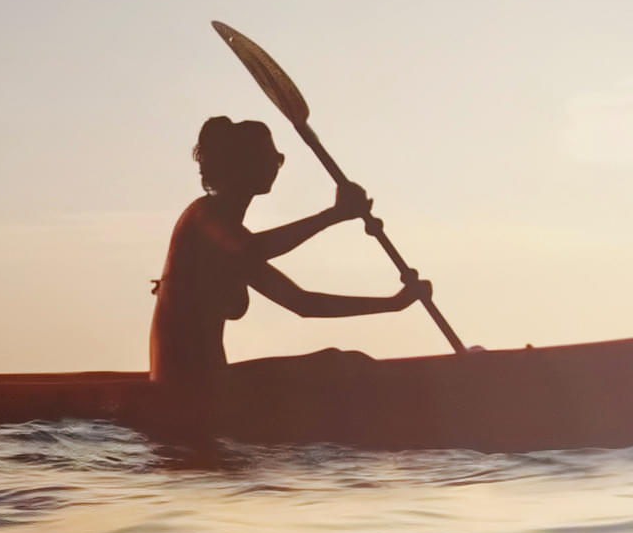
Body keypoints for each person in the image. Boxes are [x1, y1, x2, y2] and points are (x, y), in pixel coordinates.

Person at [150, 116, 429, 395]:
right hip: (188, 389)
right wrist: (334, 215)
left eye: (278, 157)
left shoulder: (231, 245)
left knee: (340, 362)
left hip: (210, 382)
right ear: (240, 164)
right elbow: (255, 248)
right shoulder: (204, 217)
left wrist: (395, 303)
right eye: (270, 156)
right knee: (337, 366)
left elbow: (303, 303)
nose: (277, 164)